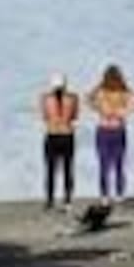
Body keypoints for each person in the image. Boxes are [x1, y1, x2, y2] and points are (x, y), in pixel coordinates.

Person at [87, 64, 134, 205]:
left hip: (105, 129)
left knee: (106, 165)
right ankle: (117, 194)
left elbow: (87, 98)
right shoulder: (122, 92)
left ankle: (106, 195)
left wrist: (99, 107)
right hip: (116, 129)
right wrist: (124, 111)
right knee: (117, 164)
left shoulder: (104, 91)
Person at [40, 73, 79, 211]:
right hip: (67, 135)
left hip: (52, 135)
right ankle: (67, 200)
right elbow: (74, 116)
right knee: (68, 169)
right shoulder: (73, 98)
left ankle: (50, 200)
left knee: (50, 170)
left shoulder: (45, 99)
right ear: (65, 84)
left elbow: (45, 117)